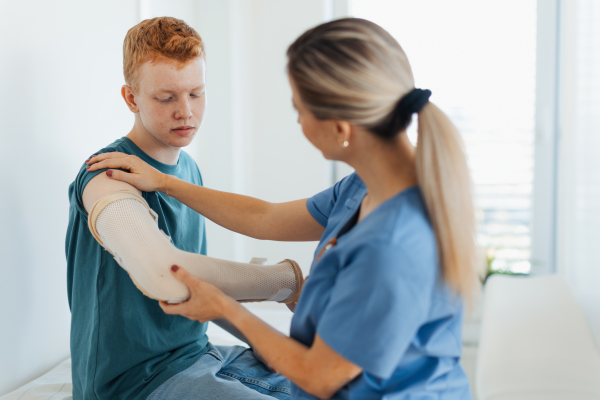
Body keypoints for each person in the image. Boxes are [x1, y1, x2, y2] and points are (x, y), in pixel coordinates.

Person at [87, 17, 478, 399]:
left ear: (341, 129)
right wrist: (166, 183)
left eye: (299, 109)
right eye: (166, 97)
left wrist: (228, 307)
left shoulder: (392, 243)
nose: (185, 111)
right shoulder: (364, 189)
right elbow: (264, 218)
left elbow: (321, 376)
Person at [67, 17, 290, 400]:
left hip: (199, 354)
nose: (185, 112)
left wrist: (263, 339)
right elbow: (165, 275)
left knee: (339, 386)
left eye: (196, 94)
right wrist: (283, 282)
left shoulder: (187, 170)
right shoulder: (105, 172)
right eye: (166, 98)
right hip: (137, 383)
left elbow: (196, 292)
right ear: (131, 98)